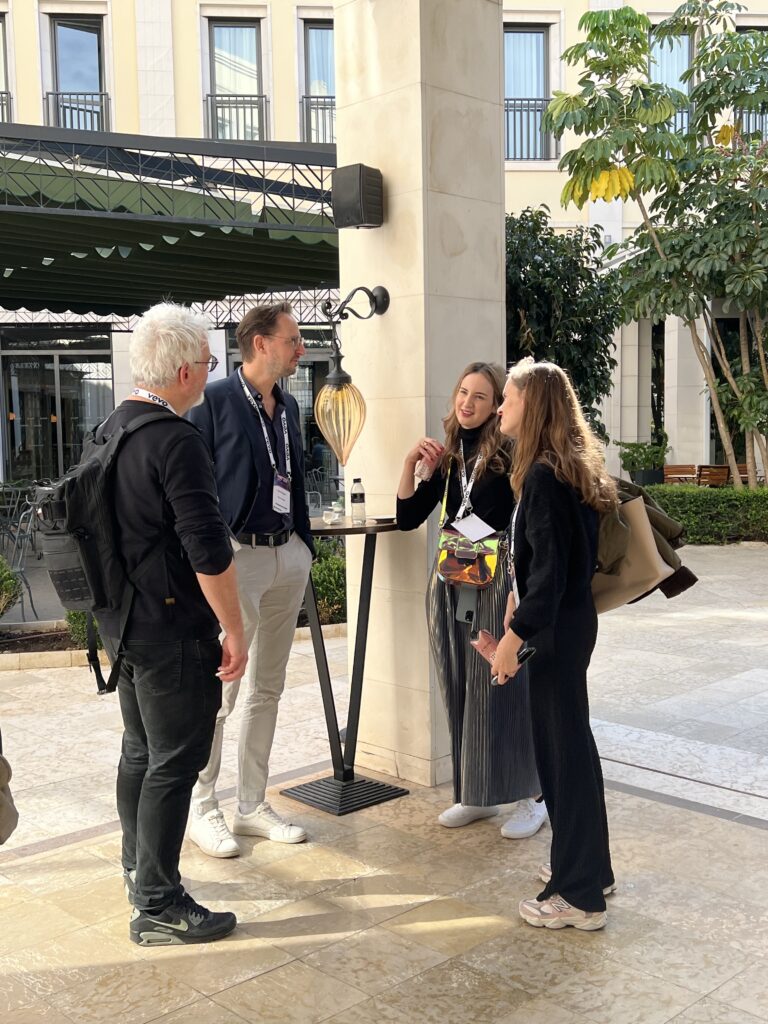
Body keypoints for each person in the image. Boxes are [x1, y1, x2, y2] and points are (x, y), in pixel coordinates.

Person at [99, 302, 247, 945]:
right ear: (186, 371)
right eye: (209, 363)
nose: (210, 373)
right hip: (172, 631)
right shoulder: (176, 440)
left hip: (124, 626)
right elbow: (207, 549)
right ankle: (158, 903)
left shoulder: (111, 429)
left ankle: (139, 872)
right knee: (176, 761)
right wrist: (234, 628)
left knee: (141, 751)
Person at [493, 357, 617, 931]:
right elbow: (549, 565)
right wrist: (518, 609)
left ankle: (579, 896)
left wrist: (512, 639)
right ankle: (590, 869)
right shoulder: (564, 468)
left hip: (555, 632)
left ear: (533, 405)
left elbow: (548, 579)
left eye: (508, 398)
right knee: (574, 752)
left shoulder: (545, 476)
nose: (500, 407)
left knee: (562, 758)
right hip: (569, 626)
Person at [187, 301, 314, 856]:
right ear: (260, 343)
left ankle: (251, 805)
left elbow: (295, 477)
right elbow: (193, 488)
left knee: (268, 686)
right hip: (239, 559)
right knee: (223, 688)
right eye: (292, 339)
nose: (300, 348)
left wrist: (302, 545)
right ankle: (202, 806)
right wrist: (220, 554)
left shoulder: (288, 405)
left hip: (287, 554)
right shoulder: (212, 401)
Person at [396, 362, 543, 838]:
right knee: (459, 680)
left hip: (497, 578)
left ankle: (533, 796)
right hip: (452, 575)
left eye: (480, 396)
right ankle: (477, 793)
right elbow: (408, 517)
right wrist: (409, 465)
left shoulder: (512, 452)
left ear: (498, 404)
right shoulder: (450, 455)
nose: (467, 403)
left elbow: (523, 520)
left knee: (503, 684)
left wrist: (520, 588)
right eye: (463, 392)